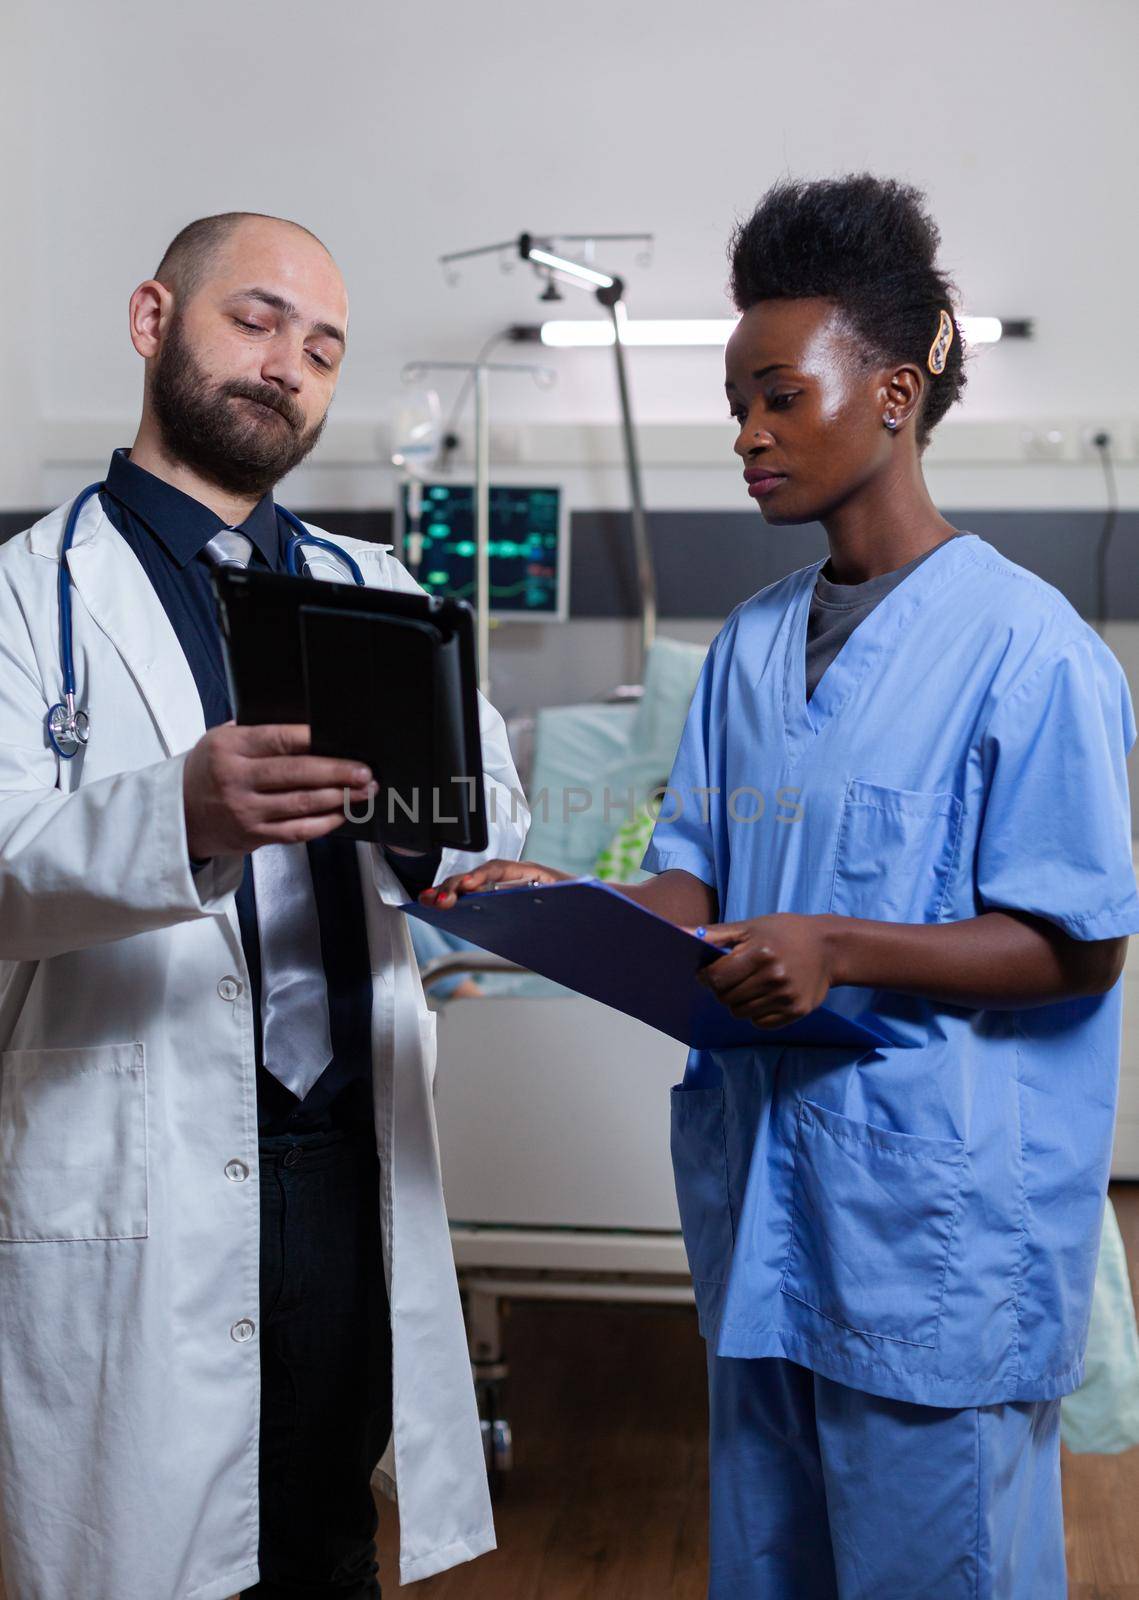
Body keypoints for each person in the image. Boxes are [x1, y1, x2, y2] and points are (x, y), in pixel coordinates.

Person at [422, 175, 1139, 1597]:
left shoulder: (1030, 650)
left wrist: (839, 946)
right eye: (734, 400)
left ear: (893, 389)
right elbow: (695, 879)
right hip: (769, 1214)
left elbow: (1079, 949)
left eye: (778, 396)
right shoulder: (748, 648)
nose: (746, 435)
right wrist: (558, 908)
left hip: (936, 1232)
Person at [0, 212, 527, 1600]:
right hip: (142, 1161)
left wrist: (452, 844)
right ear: (150, 320)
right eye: (256, 318)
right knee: (150, 1565)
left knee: (324, 1548)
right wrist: (177, 813)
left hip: (344, 1163)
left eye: (323, 346)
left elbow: (492, 825)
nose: (288, 362)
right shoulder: (22, 600)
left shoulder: (381, 592)